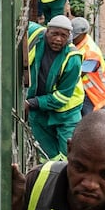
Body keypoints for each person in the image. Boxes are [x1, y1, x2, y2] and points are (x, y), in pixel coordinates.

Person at [25, 14, 83, 160]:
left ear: (69, 36)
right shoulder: (36, 35)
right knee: (45, 155)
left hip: (66, 113)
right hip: (39, 111)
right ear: (47, 31)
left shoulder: (73, 58)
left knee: (68, 156)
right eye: (54, 34)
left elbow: (61, 98)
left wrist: (31, 103)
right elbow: (19, 23)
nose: (58, 39)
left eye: (63, 36)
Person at [70, 16, 105, 116]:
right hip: (86, 91)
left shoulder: (91, 52)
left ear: (84, 34)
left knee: (90, 123)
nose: (73, 38)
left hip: (95, 93)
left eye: (75, 36)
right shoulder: (80, 43)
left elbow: (78, 74)